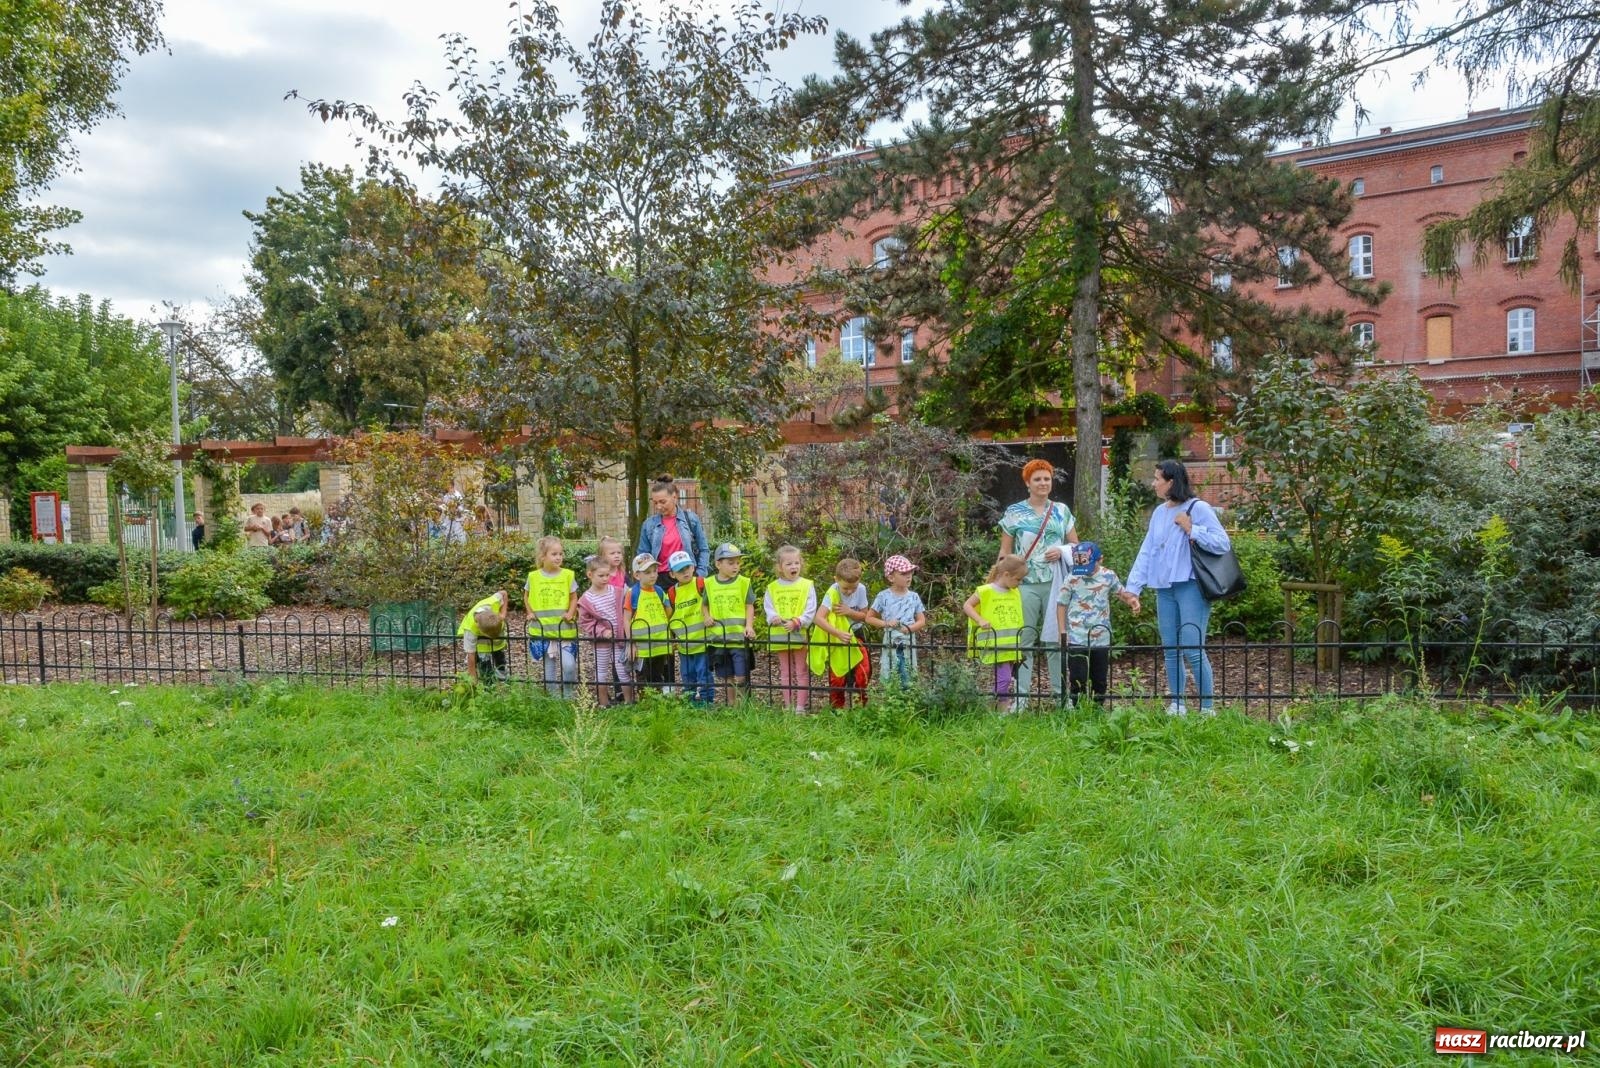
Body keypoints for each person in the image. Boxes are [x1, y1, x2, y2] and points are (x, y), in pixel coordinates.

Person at [1125, 459, 1232, 715]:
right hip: (1165, 587)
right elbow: (1148, 551)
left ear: (1171, 482)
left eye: (1157, 479)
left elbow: (1222, 543)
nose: (1153, 483)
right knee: (1170, 649)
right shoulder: (1160, 513)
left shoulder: (1199, 508)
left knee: (1193, 648)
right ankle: (1177, 704)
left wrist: (1191, 529)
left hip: (1191, 586)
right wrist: (1134, 587)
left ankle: (1207, 708)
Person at [997, 459, 1079, 708]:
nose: (1043, 483)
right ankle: (1021, 699)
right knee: (1025, 640)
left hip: (1056, 583)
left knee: (1056, 640)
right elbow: (1004, 552)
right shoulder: (1014, 512)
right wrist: (998, 584)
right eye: (1037, 479)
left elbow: (1077, 547)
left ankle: (1060, 697)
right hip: (1025, 584)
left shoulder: (1061, 511)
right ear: (1027, 483)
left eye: (1047, 478)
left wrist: (1061, 550)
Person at [1056, 542, 1141, 707]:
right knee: (1077, 677)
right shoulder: (1073, 577)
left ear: (1100, 560)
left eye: (1088, 566)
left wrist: (1131, 600)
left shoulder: (1108, 576)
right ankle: (1078, 708)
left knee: (1100, 678)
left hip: (1101, 636)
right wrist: (1062, 631)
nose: (1084, 571)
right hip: (1077, 636)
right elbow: (1061, 604)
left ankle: (1097, 709)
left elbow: (1121, 592)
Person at [964, 554, 1029, 710]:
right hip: (995, 644)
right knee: (1005, 679)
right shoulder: (985, 591)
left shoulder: (1014, 592)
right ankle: (1002, 709)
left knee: (1007, 678)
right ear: (1006, 574)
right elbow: (967, 605)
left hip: (1012, 644)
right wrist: (980, 620)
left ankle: (991, 707)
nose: (1019, 584)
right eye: (1018, 579)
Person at [808, 558, 871, 709]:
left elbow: (866, 616)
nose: (849, 592)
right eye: (845, 589)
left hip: (856, 633)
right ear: (836, 579)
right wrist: (838, 634)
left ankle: (859, 706)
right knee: (838, 676)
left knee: (863, 671)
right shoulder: (833, 592)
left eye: (853, 588)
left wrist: (850, 612)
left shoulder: (861, 589)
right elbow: (818, 618)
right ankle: (837, 709)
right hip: (838, 637)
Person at [763, 544, 816, 713]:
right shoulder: (772, 587)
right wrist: (773, 617)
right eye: (789, 564)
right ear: (780, 567)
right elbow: (768, 607)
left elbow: (811, 608)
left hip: (799, 632)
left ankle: (800, 707)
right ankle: (788, 706)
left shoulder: (807, 585)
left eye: (796, 563)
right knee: (785, 671)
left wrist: (798, 621)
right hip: (780, 634)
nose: (794, 567)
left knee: (801, 670)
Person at [524, 535, 578, 698]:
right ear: (543, 557)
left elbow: (574, 597)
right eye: (554, 554)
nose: (559, 557)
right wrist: (529, 612)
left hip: (564, 629)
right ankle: (554, 700)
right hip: (543, 630)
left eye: (560, 554)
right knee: (549, 669)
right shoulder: (533, 577)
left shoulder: (568, 575)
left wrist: (570, 613)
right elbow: (526, 596)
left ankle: (568, 696)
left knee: (569, 665)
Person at [704, 542, 756, 704]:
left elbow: (749, 605)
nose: (736, 567)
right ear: (718, 564)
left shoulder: (743, 582)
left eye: (738, 563)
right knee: (727, 676)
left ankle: (743, 704)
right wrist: (706, 616)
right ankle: (732, 704)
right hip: (719, 640)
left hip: (739, 638)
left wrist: (749, 626)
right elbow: (704, 604)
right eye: (731, 563)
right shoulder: (709, 583)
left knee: (741, 674)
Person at [635, 477, 710, 588]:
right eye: (655, 503)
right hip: (660, 580)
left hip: (687, 576)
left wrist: (700, 574)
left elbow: (704, 549)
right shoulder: (649, 525)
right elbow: (643, 556)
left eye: (662, 502)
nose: (658, 506)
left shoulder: (691, 519)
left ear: (674, 497)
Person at [577, 554, 631, 706]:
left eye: (607, 575)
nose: (605, 578)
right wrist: (602, 631)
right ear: (590, 575)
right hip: (601, 641)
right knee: (601, 671)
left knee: (622, 670)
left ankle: (629, 701)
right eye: (601, 575)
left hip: (618, 638)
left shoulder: (617, 591)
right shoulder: (586, 599)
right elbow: (585, 621)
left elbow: (627, 605)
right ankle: (603, 703)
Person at [865, 555, 927, 687]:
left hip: (908, 640)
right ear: (891, 577)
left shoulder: (913, 597)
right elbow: (869, 618)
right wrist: (886, 624)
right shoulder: (883, 596)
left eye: (910, 572)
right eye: (903, 573)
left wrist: (909, 628)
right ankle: (891, 699)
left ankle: (907, 700)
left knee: (907, 671)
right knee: (891, 669)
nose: (908, 576)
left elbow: (922, 620)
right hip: (890, 639)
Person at [666, 550, 714, 705]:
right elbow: (669, 616)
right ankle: (689, 702)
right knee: (687, 675)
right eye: (680, 570)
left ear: (693, 567)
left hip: (703, 641)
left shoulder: (701, 584)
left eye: (687, 567)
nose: (685, 572)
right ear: (672, 574)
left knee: (704, 674)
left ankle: (707, 702)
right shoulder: (672, 593)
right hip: (684, 644)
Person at [625, 552, 675, 693]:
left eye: (655, 571)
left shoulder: (659, 591)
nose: (653, 575)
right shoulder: (632, 593)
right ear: (637, 575)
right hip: (643, 647)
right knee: (643, 678)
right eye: (647, 572)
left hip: (660, 644)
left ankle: (656, 704)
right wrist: (630, 643)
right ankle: (645, 705)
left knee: (658, 676)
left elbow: (668, 609)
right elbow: (626, 618)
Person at [457, 589, 511, 684]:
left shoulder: (493, 601)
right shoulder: (470, 630)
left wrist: (503, 614)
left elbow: (504, 593)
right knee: (484, 664)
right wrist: (473, 678)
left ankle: (503, 680)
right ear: (480, 629)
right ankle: (488, 686)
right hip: (481, 645)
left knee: (500, 659)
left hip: (497, 643)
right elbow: (471, 655)